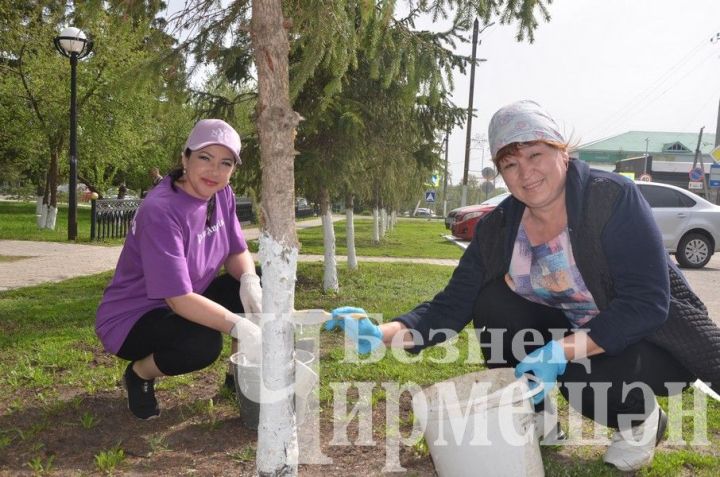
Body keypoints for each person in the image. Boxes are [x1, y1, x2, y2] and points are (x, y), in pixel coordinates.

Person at [325, 100, 720, 472]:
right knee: (493, 299)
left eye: (535, 155)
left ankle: (641, 421)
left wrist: (560, 351)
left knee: (581, 376)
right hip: (573, 335)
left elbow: (647, 304)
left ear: (561, 151)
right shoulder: (499, 228)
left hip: (648, 339)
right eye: (510, 164)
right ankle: (532, 410)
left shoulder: (611, 198)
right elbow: (450, 305)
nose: (526, 173)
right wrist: (383, 333)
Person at [96, 119, 262, 420]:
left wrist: (249, 280)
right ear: (185, 158)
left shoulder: (221, 193)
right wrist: (241, 326)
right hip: (135, 317)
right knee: (203, 343)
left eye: (225, 163)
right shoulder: (161, 211)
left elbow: (237, 250)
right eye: (204, 158)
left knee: (260, 284)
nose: (214, 171)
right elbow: (178, 299)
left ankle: (238, 377)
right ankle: (139, 374)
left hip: (189, 294)